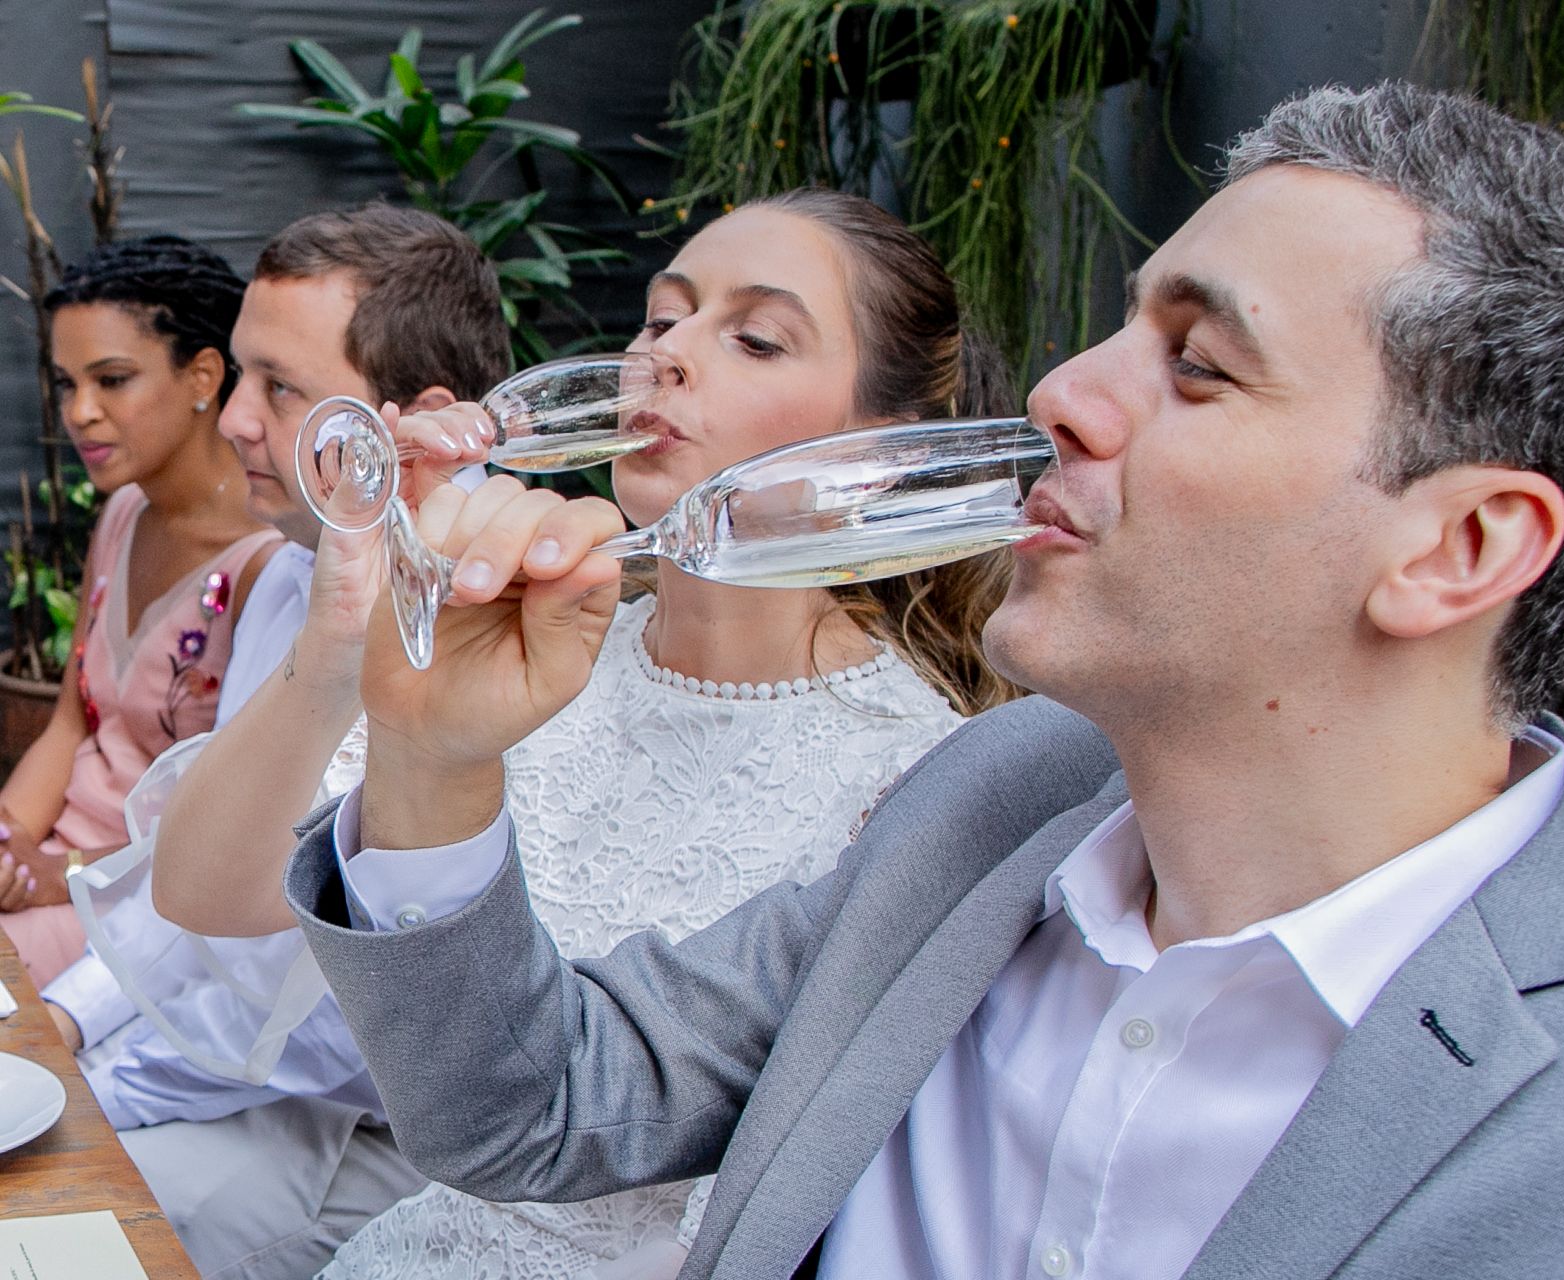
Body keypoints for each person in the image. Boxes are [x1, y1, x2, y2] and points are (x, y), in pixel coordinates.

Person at [280, 82, 1564, 1279]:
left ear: (1459, 550)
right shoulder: (988, 808)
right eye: (1122, 329)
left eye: (1198, 365)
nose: (1065, 387)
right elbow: (534, 1112)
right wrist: (434, 764)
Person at [153, 188, 1017, 1278]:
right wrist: (346, 612)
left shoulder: (919, 775)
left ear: (881, 451)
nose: (665, 357)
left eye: (753, 336)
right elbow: (203, 893)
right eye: (660, 319)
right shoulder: (533, 652)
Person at [37, 204, 508, 1280]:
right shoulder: (291, 566)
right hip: (242, 1069)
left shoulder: (479, 612)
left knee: (50, 1221)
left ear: (422, 419)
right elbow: (184, 887)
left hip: (383, 1129)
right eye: (240, 376)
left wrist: (99, 1082)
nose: (238, 419)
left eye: (280, 388)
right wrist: (69, 1013)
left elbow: (346, 1018)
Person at [0, 236, 280, 987]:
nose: (80, 412)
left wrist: (61, 876)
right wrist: (8, 841)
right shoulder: (123, 513)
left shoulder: (266, 568)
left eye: (112, 380)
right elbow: (71, 721)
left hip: (151, 909)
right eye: (66, 384)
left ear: (203, 376)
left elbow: (246, 825)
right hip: (48, 870)